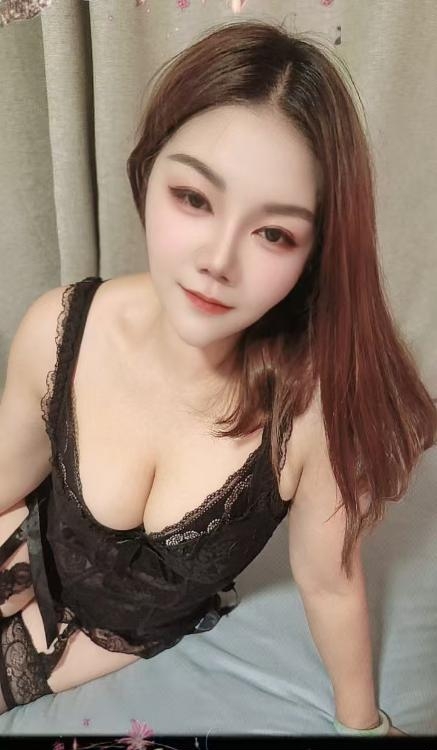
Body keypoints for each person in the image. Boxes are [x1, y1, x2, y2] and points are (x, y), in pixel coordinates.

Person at [0, 18, 435, 736]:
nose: (218, 260)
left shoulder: (307, 417)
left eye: (274, 233)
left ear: (313, 256)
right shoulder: (59, 331)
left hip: (100, 644)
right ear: (148, 173)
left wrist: (365, 726)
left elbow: (330, 583)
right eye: (194, 198)